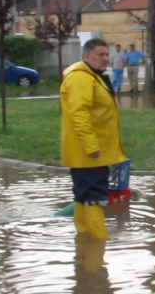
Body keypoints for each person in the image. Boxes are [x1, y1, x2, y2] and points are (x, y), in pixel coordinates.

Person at [60, 38, 126, 240]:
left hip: (92, 149)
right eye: (100, 55)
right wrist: (91, 146)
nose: (105, 59)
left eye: (106, 55)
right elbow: (80, 114)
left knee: (84, 195)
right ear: (86, 56)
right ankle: (99, 242)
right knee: (94, 196)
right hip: (90, 150)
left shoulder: (92, 76)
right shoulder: (82, 79)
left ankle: (84, 239)